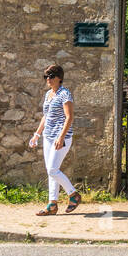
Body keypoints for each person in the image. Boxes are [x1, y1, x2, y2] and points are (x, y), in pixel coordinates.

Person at [29, 64, 80, 215]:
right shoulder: (48, 95)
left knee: (52, 169)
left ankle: (73, 194)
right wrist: (37, 134)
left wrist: (61, 136)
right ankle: (52, 204)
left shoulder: (65, 94)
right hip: (48, 137)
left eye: (51, 76)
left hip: (61, 137)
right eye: (46, 77)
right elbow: (46, 116)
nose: (48, 79)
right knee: (51, 171)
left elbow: (69, 117)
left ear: (59, 78)